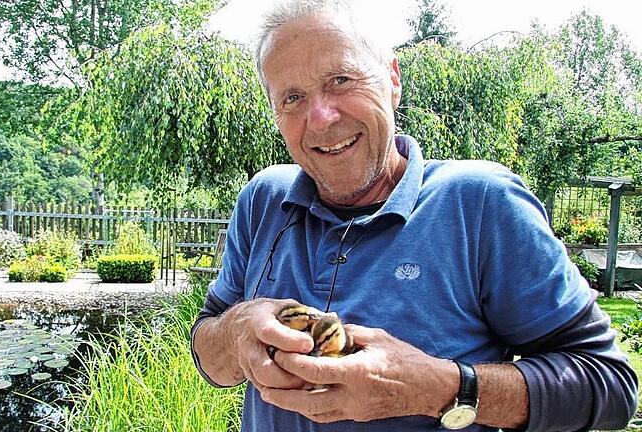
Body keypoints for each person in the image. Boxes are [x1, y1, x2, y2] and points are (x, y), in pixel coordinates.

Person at [190, 1, 638, 431]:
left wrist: (437, 389)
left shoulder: (479, 204)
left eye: (341, 80)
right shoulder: (263, 200)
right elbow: (210, 347)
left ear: (392, 78)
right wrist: (233, 333)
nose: (322, 117)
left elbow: (609, 386)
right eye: (292, 97)